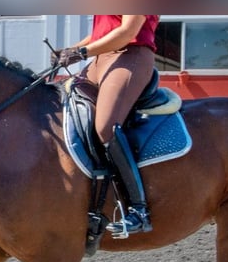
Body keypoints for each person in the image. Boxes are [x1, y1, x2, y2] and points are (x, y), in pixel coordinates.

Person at [54, 15, 159, 235]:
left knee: (106, 126)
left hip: (131, 55)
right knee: (62, 108)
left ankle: (138, 209)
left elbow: (127, 31)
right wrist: (71, 49)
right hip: (100, 60)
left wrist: (82, 53)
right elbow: (104, 30)